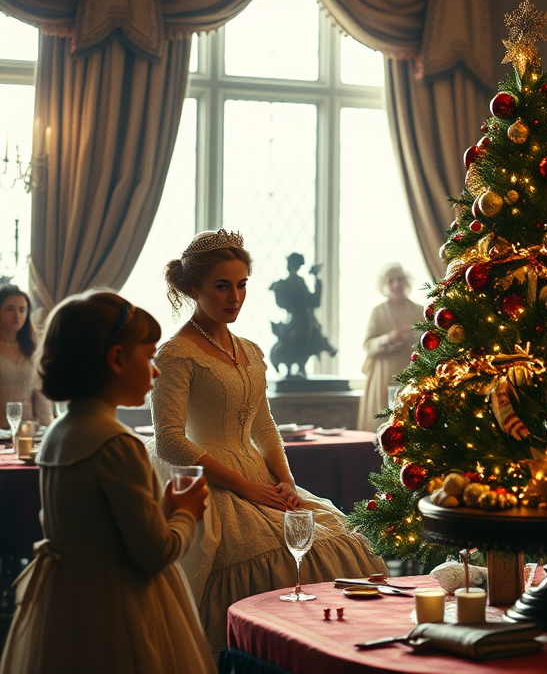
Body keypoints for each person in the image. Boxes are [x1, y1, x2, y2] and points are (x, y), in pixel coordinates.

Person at [149, 229, 386, 654]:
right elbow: (168, 441)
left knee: (342, 542)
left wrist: (287, 482)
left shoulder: (251, 350)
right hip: (212, 482)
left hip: (259, 474)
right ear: (192, 287)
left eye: (241, 285)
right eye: (222, 286)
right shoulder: (176, 353)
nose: (234, 297)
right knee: (269, 562)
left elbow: (264, 427)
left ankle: (331, 654)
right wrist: (244, 487)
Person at [0, 290, 215, 674]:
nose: (156, 371)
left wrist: (160, 510)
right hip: (117, 609)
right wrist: (184, 515)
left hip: (65, 606)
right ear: (116, 359)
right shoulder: (118, 444)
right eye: (149, 357)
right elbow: (152, 554)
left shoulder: (57, 435)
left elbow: (94, 525)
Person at [357, 263, 421, 433]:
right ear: (384, 286)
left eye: (399, 279)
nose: (396, 285)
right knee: (383, 424)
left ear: (406, 282)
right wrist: (388, 338)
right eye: (390, 281)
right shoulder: (377, 312)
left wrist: (411, 337)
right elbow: (368, 345)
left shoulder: (419, 311)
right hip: (382, 376)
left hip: (412, 374)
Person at [0, 284, 54, 426]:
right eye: (9, 309)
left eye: (22, 309)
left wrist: (48, 431)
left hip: (28, 432)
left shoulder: (33, 347)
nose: (17, 315)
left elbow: (41, 394)